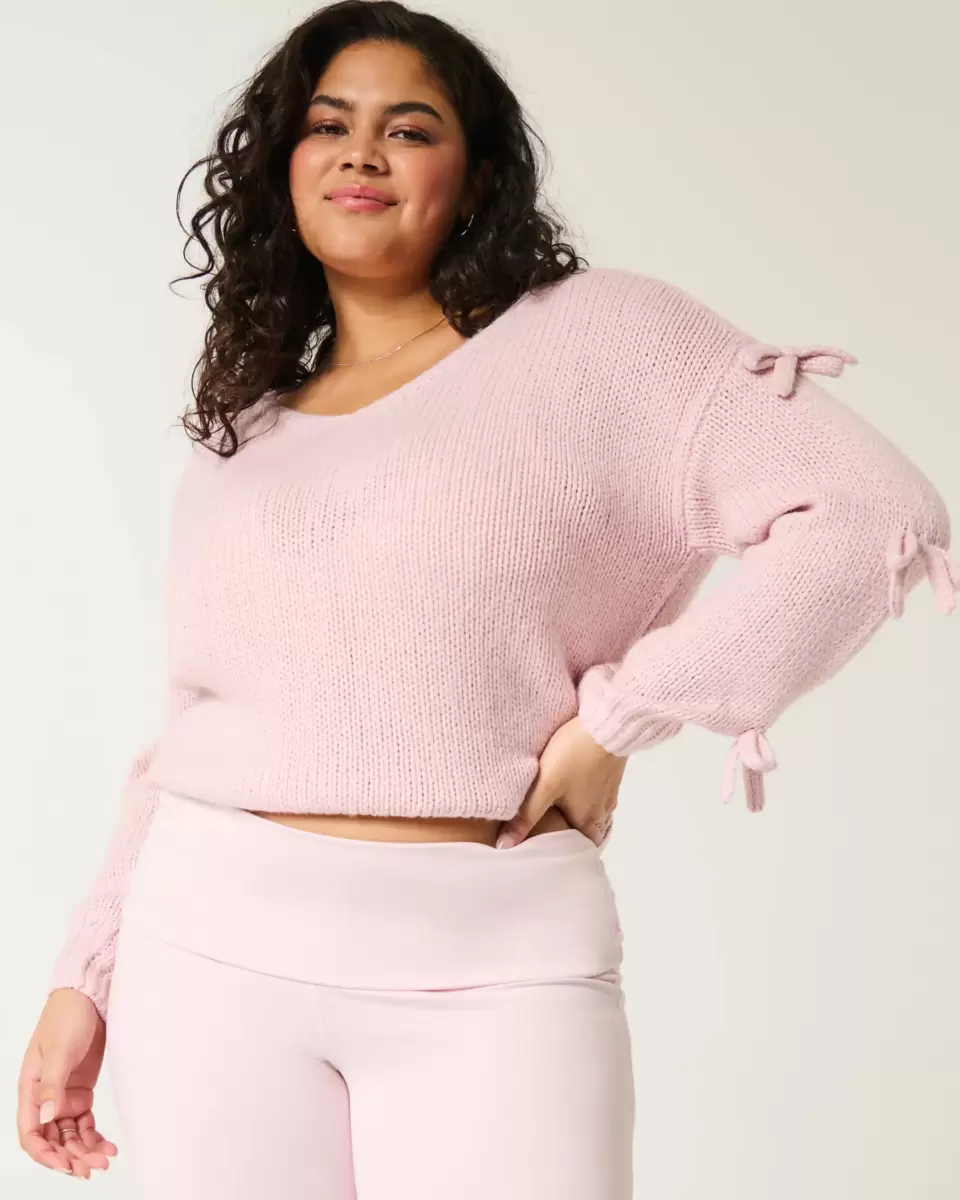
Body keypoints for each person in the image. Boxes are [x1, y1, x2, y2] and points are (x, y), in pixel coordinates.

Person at [16, 2, 958, 1197]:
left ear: (475, 178)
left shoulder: (603, 339)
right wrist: (87, 975)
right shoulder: (247, 426)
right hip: (203, 950)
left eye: (409, 128)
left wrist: (624, 717)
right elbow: (189, 725)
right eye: (327, 125)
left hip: (496, 962)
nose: (361, 154)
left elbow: (872, 510)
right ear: (281, 170)